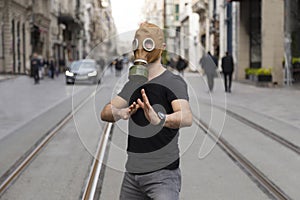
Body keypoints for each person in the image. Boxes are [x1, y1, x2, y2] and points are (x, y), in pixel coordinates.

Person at [101, 22, 193, 200]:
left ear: (162, 47)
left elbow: (186, 116)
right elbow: (105, 112)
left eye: (148, 45)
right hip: (132, 175)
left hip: (163, 176)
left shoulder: (172, 81)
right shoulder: (133, 83)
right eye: (138, 45)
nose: (142, 50)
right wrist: (120, 113)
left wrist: (160, 118)